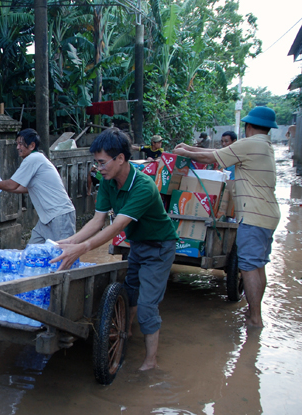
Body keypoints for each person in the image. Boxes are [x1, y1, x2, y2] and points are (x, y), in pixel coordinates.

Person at [51, 127, 178, 371]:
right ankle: (125, 331)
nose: (99, 168)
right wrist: (68, 243)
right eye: (96, 162)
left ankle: (150, 362)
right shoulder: (109, 181)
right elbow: (97, 221)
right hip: (139, 244)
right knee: (130, 289)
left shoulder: (144, 186)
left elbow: (118, 226)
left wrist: (83, 248)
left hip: (160, 247)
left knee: (148, 305)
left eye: (102, 162)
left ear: (120, 158)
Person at [173, 106, 280, 328]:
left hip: (253, 215)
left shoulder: (250, 143)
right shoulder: (266, 146)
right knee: (258, 266)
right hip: (267, 215)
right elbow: (217, 154)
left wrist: (186, 152)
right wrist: (189, 147)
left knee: (249, 266)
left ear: (248, 126)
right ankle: (255, 314)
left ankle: (254, 317)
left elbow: (212, 157)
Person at [0, 129, 76, 244]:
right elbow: (22, 188)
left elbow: (12, 185)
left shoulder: (33, 159)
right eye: (17, 144)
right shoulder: (36, 159)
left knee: (63, 254)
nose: (17, 147)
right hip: (47, 218)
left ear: (32, 145)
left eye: (20, 144)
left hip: (59, 215)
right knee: (31, 253)